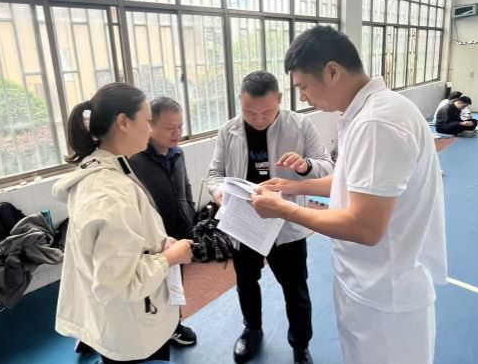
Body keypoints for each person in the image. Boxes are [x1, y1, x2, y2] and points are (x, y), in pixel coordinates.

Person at [250, 26, 447, 364]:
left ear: (332, 71)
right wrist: (292, 187)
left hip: (384, 296)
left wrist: (283, 209)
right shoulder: (366, 113)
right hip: (367, 283)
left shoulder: (377, 123)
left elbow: (365, 227)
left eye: (304, 86)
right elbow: (350, 182)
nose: (304, 97)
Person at [52, 83, 194, 364]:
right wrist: (169, 257)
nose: (150, 129)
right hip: (129, 326)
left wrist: (161, 243)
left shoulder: (107, 167)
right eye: (148, 121)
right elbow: (116, 286)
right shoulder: (111, 194)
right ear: (123, 122)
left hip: (118, 320)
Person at [207, 71, 334, 364]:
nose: (258, 119)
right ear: (240, 102)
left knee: (295, 289)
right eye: (249, 112)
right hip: (243, 222)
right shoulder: (229, 130)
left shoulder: (300, 125)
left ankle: (300, 344)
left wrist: (305, 166)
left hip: (286, 222)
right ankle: (252, 329)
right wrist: (219, 192)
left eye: (266, 112)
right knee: (246, 282)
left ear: (279, 98)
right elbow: (214, 174)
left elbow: (328, 168)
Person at [129, 97, 197, 347]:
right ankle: (153, 332)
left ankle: (173, 326)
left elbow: (186, 188)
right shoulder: (135, 160)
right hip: (153, 238)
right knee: (152, 287)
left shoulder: (178, 153)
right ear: (151, 126)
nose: (177, 133)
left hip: (180, 230)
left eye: (180, 126)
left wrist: (191, 214)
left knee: (176, 281)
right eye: (170, 128)